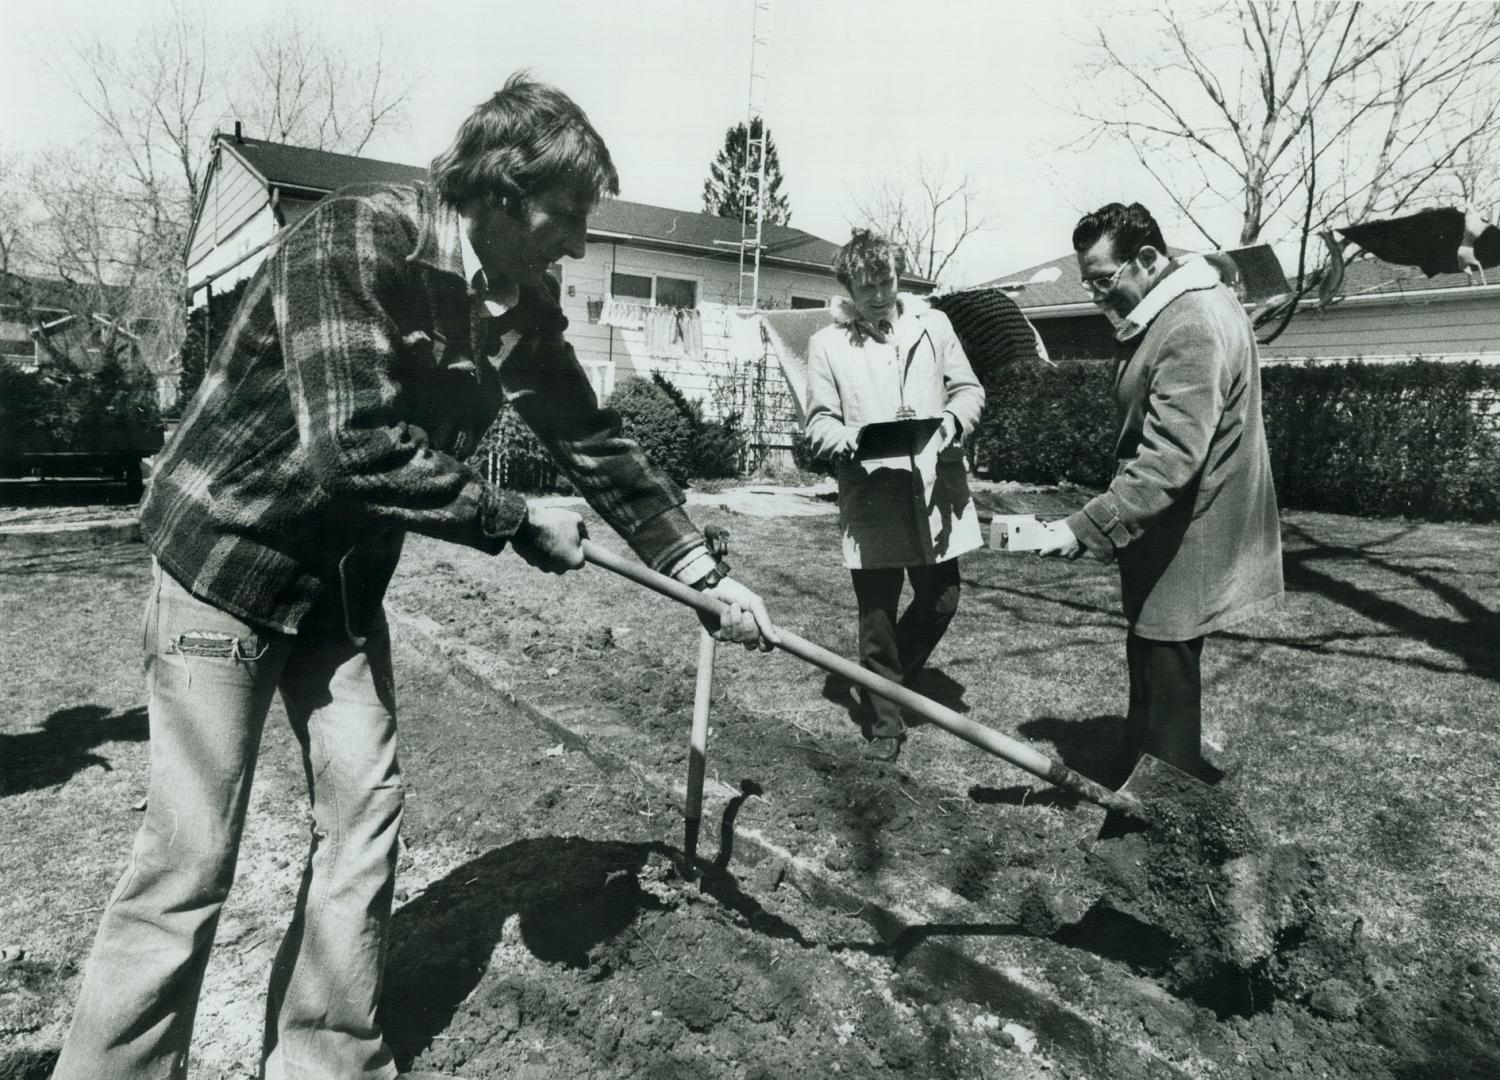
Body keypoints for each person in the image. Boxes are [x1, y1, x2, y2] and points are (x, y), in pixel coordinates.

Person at [52, 73, 774, 1080]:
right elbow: (348, 443)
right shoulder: (359, 240)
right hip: (226, 559)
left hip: (339, 587)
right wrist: (514, 520)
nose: (573, 244)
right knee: (192, 857)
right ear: (503, 189)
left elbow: (591, 436)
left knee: (363, 816)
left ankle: (327, 1060)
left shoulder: (517, 300)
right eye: (566, 217)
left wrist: (699, 568)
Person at [1039, 202, 1283, 784]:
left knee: (1167, 663)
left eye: (1104, 280)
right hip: (1172, 526)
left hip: (1191, 526)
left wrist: (1084, 526)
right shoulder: (1174, 311)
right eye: (1087, 282)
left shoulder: (1192, 321)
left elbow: (1172, 456)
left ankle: (1165, 820)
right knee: (1149, 653)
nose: (1096, 296)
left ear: (1147, 259)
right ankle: (1134, 768)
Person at [803, 229, 984, 763]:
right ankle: (885, 726)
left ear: (896, 274)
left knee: (942, 598)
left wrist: (954, 420)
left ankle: (882, 682)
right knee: (877, 614)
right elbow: (819, 420)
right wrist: (848, 441)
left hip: (934, 489)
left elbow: (968, 388)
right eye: (865, 287)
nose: (878, 294)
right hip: (873, 495)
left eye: (884, 280)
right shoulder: (827, 345)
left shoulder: (935, 325)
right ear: (847, 289)